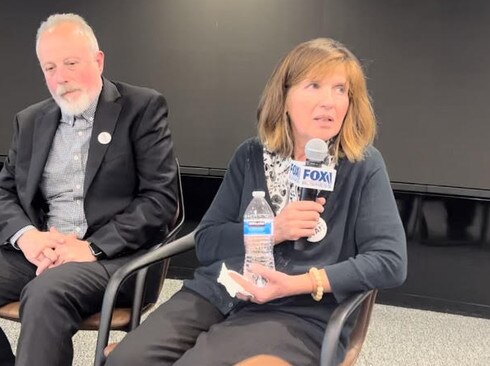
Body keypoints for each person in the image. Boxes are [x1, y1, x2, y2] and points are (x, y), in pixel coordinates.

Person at [106, 38, 407, 366]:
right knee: (125, 360)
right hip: (220, 292)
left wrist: (302, 282)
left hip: (297, 311)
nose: (330, 102)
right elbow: (208, 242)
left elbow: (390, 261)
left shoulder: (362, 165)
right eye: (315, 85)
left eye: (340, 90)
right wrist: (273, 230)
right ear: (285, 96)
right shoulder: (251, 155)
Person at [0, 13, 177, 366]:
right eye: (50, 68)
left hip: (112, 258)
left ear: (98, 60)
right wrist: (27, 236)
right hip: (40, 253)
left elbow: (160, 200)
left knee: (43, 294)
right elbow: (0, 192)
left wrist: (92, 248)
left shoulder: (142, 108)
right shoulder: (31, 120)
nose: (61, 77)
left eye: (71, 63)